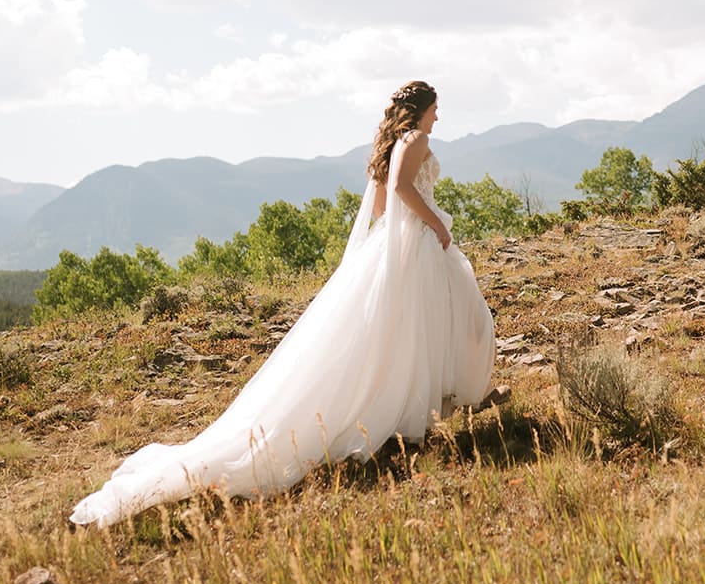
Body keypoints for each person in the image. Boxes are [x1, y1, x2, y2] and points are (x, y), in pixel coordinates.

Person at [70, 80, 496, 526]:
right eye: (435, 108)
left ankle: (423, 410)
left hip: (402, 240)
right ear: (422, 110)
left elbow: (379, 210)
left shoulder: (393, 142)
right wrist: (434, 226)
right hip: (417, 240)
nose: (437, 117)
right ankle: (423, 412)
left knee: (404, 327)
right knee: (439, 321)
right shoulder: (416, 139)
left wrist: (407, 230)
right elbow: (405, 191)